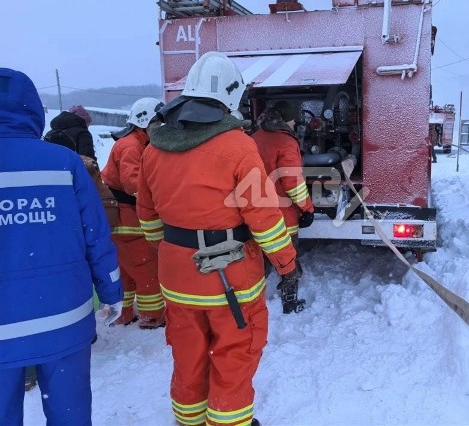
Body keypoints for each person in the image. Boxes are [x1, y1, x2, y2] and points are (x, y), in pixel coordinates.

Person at [137, 52, 298, 426]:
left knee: (188, 354)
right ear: (231, 95)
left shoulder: (154, 147)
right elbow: (265, 220)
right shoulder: (238, 146)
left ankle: (189, 420)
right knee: (235, 353)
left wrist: (176, 252)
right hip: (230, 279)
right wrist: (287, 265)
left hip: (176, 279)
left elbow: (148, 217)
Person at [0, 68, 123, 425]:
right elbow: (95, 235)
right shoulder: (64, 162)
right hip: (64, 318)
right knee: (70, 413)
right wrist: (111, 290)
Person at [101, 97, 166, 329]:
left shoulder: (135, 142)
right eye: (156, 123)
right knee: (145, 269)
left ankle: (123, 313)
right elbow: (133, 184)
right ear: (144, 122)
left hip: (119, 220)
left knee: (126, 273)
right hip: (129, 220)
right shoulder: (131, 146)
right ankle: (152, 316)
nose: (159, 127)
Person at [251, 101, 315, 313]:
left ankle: (250, 301)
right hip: (282, 215)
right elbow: (292, 182)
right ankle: (290, 300)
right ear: (286, 119)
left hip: (255, 213)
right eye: (294, 120)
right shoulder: (286, 142)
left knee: (259, 262)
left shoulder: (254, 138)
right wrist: (307, 209)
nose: (295, 123)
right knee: (287, 258)